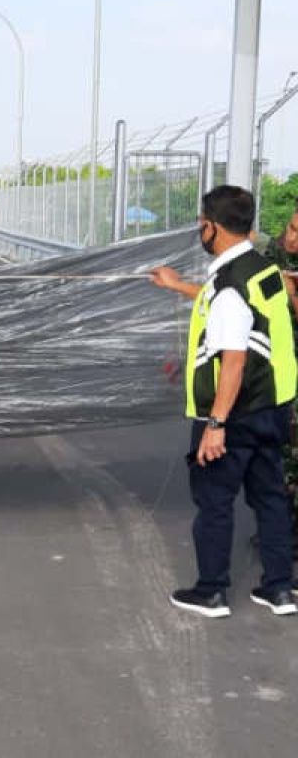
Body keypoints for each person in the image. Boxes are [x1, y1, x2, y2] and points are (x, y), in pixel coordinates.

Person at [150, 185, 297, 618]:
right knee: (269, 497)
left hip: (235, 413)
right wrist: (179, 287)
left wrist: (215, 425)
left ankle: (211, 590)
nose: (201, 231)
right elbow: (230, 306)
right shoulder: (262, 270)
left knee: (214, 500)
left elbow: (233, 361)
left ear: (212, 227)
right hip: (272, 407)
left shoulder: (230, 285)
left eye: (202, 225)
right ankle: (280, 588)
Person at [260, 201, 298, 556]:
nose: (290, 238)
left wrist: (292, 297)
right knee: (280, 452)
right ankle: (280, 530)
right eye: (291, 227)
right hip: (279, 374)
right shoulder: (273, 252)